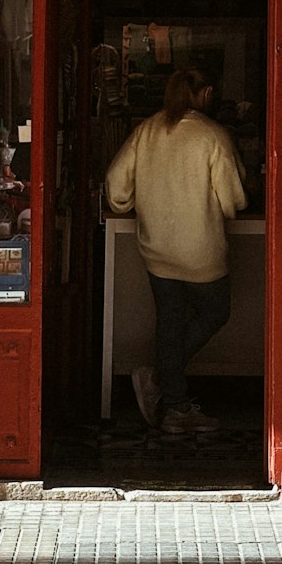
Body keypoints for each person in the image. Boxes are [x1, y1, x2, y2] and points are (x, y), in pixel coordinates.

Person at [104, 67, 247, 434]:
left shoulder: (147, 131)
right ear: (205, 94)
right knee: (216, 311)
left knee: (169, 320)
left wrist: (133, 204)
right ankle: (162, 381)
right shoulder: (213, 135)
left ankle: (174, 402)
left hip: (156, 249)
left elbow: (116, 190)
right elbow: (233, 200)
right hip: (200, 251)